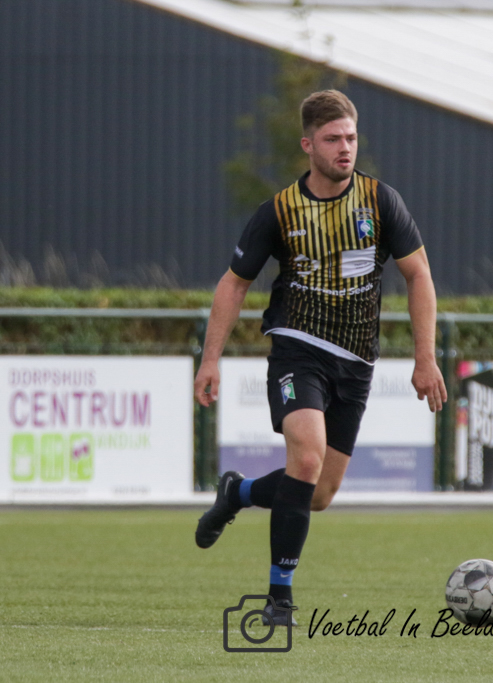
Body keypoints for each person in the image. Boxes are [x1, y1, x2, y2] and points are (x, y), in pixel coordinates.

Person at [193, 90, 447, 626]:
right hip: (298, 349)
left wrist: (424, 357)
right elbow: (234, 283)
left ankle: (238, 492)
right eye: (333, 139)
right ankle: (279, 599)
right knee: (305, 460)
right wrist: (210, 359)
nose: (345, 148)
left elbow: (418, 274)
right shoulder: (279, 211)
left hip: (357, 364)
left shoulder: (381, 202)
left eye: (351, 137)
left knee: (320, 493)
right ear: (308, 145)